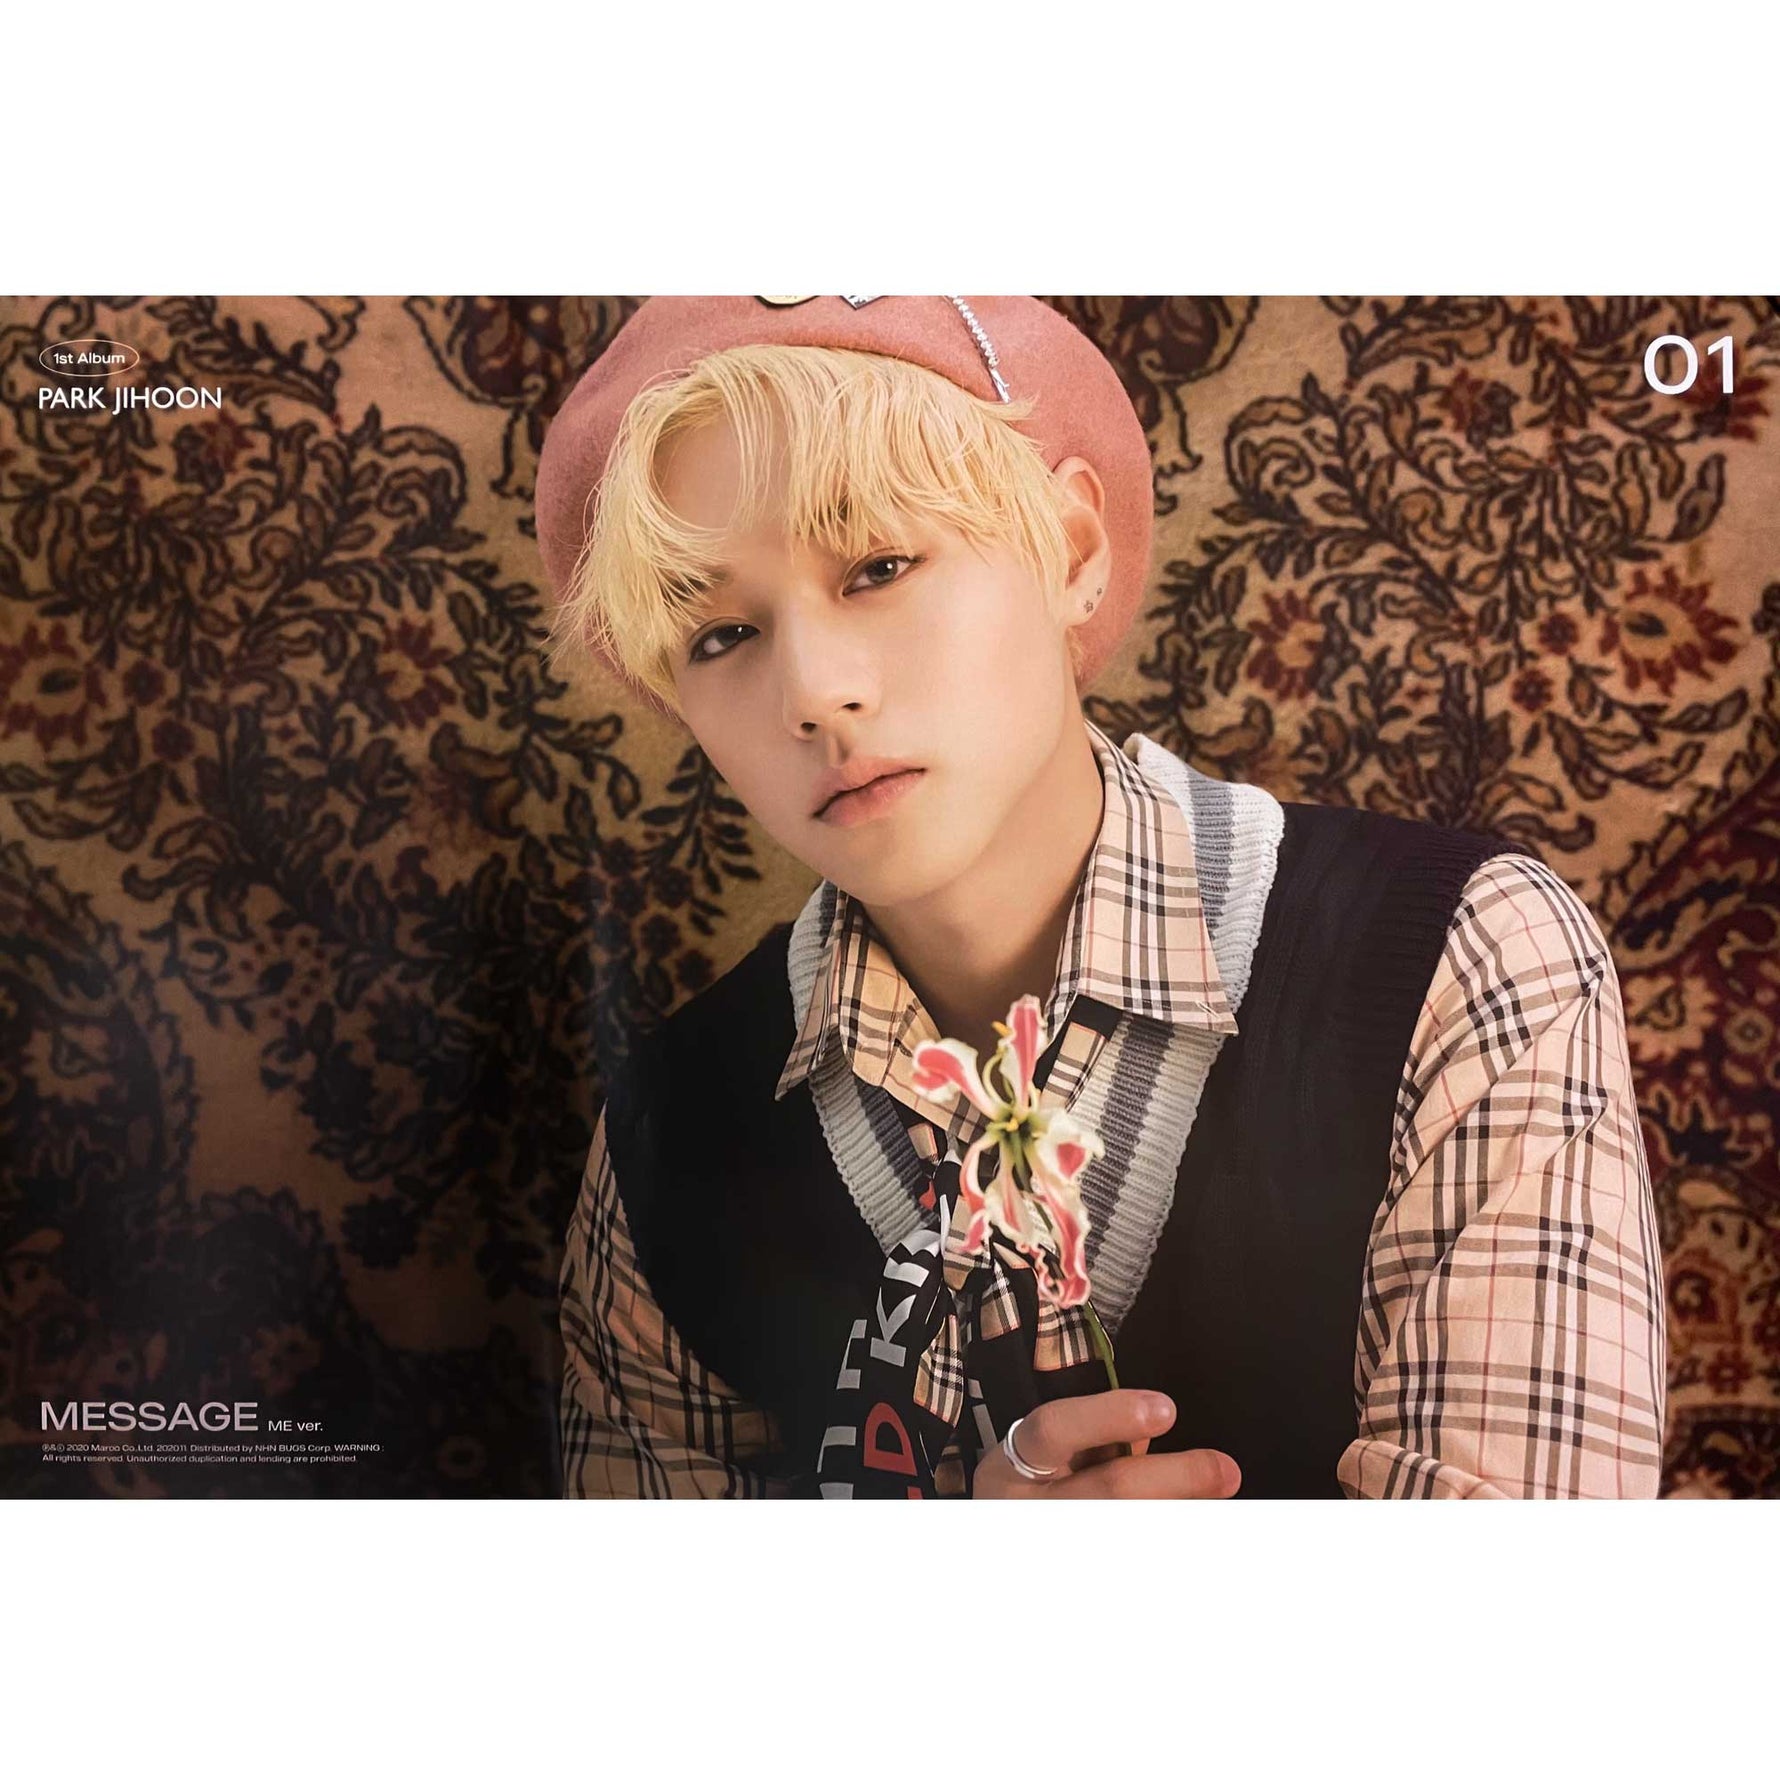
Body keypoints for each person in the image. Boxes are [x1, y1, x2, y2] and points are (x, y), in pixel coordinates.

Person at [533, 296, 1668, 1499]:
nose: (813, 692)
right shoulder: (664, 1138)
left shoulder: (1463, 957)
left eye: (878, 566)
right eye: (719, 636)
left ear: (1071, 552)